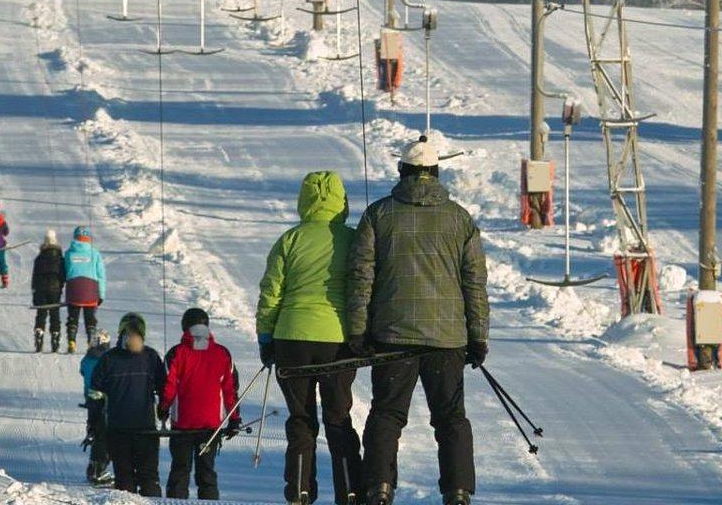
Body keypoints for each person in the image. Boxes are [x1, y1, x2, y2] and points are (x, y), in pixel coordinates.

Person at [345, 137, 489, 505]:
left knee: (387, 414)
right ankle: (457, 491)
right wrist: (478, 336)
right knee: (451, 418)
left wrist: (357, 330)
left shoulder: (378, 214)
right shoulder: (459, 218)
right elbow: (474, 282)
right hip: (447, 339)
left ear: (402, 172)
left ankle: (378, 487)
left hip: (393, 337)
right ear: (436, 172)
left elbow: (361, 277)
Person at [258, 171, 363, 505]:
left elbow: (271, 293)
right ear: (341, 201)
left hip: (291, 338)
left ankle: (300, 493)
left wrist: (266, 336)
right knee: (338, 418)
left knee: (301, 420)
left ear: (303, 200)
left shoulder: (289, 240)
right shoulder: (353, 239)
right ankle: (349, 491)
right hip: (338, 340)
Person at [161, 307, 242, 500]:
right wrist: (234, 419)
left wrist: (163, 409)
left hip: (182, 425)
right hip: (211, 426)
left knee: (180, 471)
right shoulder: (222, 353)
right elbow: (230, 390)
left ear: (185, 327)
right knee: (207, 472)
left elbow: (168, 387)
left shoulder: (176, 353)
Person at [92, 313, 166, 496]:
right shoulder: (151, 357)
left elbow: (94, 393)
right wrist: (163, 411)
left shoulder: (108, 359)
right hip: (146, 429)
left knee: (124, 479)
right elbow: (164, 388)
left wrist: (95, 421)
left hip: (118, 430)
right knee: (149, 477)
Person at [80, 329, 115, 486]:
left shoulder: (87, 359)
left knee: (94, 427)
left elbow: (82, 371)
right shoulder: (106, 360)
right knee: (104, 432)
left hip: (90, 398)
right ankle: (98, 468)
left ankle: (93, 466)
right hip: (103, 399)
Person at [63, 226, 106, 353]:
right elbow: (101, 275)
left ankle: (71, 341)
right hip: (90, 289)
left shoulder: (68, 253)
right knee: (90, 318)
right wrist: (101, 294)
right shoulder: (95, 253)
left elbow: (65, 271)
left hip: (74, 288)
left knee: (73, 316)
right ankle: (90, 342)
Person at [33, 230, 67, 352]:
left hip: (40, 289)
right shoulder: (60, 258)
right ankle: (55, 335)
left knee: (41, 313)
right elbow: (63, 275)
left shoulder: (39, 258)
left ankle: (39, 331)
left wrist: (34, 291)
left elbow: (35, 276)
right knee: (55, 314)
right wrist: (61, 285)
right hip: (55, 289)